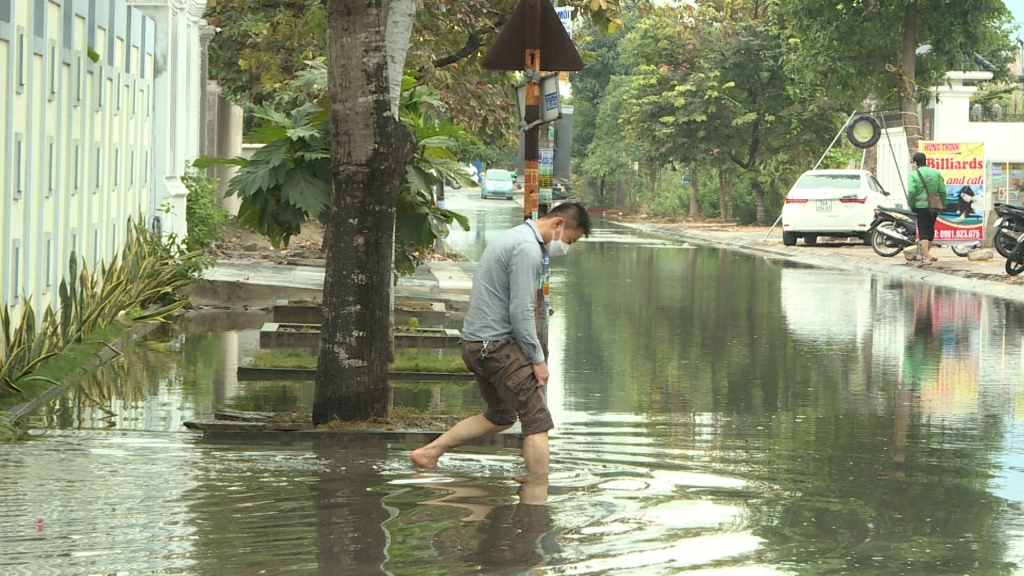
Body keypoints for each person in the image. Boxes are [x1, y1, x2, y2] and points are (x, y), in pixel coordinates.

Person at [412, 202, 592, 474]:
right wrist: (537, 360)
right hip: (497, 348)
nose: (566, 247)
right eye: (570, 240)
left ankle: (429, 453)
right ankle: (536, 503)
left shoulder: (514, 237)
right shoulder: (527, 248)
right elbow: (520, 311)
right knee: (537, 420)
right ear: (558, 224)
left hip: (476, 345)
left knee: (501, 416)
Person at [907, 151, 946, 264]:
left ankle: (926, 256)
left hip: (921, 207)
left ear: (915, 162)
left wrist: (912, 204)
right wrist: (943, 205)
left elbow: (911, 191)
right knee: (930, 231)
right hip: (934, 207)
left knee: (923, 232)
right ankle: (926, 254)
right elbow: (942, 191)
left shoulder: (913, 175)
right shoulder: (936, 173)